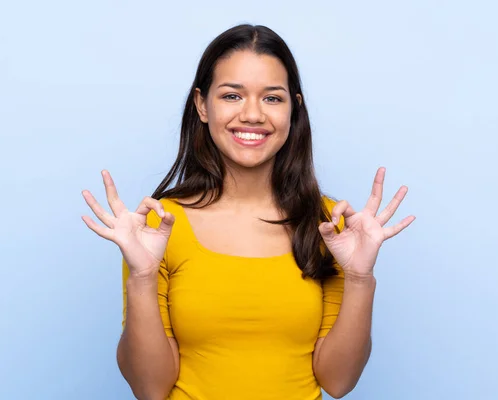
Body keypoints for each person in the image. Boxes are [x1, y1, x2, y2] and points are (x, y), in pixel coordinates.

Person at [81, 24, 415, 400]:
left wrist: (359, 277)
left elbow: (338, 382)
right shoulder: (158, 226)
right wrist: (141, 277)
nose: (253, 115)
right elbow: (149, 389)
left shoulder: (330, 226)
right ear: (202, 105)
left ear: (294, 108)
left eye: (272, 99)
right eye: (232, 96)